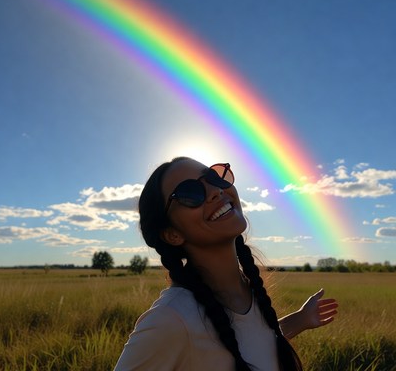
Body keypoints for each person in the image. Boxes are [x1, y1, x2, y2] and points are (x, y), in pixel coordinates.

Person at [114, 157, 338, 371]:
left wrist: (300, 319)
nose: (215, 191)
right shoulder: (170, 319)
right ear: (172, 234)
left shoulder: (248, 289)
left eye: (213, 177)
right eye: (190, 193)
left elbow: (249, 342)